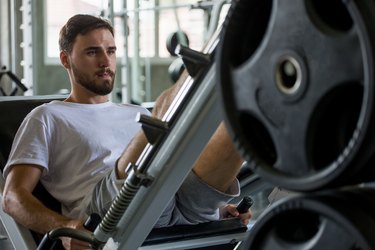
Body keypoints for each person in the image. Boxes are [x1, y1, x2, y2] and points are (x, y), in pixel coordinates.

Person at [1, 14, 251, 249]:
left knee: (239, 121)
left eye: (110, 51)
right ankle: (232, 35)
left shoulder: (135, 110)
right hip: (108, 210)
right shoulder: (47, 117)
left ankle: (246, 56)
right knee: (163, 115)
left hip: (172, 195)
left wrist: (221, 211)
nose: (105, 61)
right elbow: (12, 197)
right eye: (92, 52)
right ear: (66, 59)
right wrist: (64, 227)